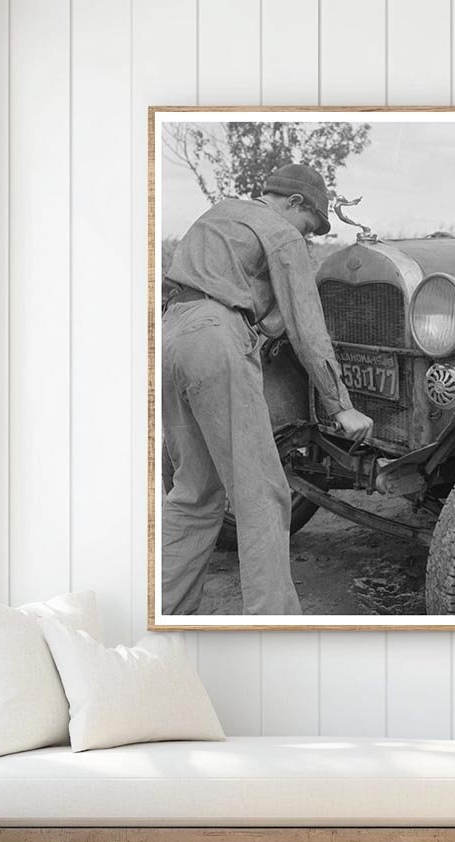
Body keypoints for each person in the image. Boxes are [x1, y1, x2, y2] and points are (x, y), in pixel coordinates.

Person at [161, 163, 374, 615]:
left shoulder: (221, 213)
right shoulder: (281, 232)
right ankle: (274, 627)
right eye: (310, 227)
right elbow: (307, 330)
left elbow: (254, 305)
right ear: (294, 204)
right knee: (262, 495)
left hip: (170, 337)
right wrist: (341, 407)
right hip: (217, 340)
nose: (308, 236)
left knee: (193, 491)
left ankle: (164, 611)